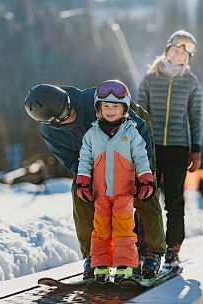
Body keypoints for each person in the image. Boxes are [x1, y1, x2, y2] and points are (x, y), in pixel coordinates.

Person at [24, 81, 166, 279]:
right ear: (51, 123)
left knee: (145, 189)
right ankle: (94, 255)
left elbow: (139, 134)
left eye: (69, 108)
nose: (71, 115)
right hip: (94, 161)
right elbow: (72, 160)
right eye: (64, 117)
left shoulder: (95, 101)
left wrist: (143, 173)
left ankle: (154, 251)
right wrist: (89, 178)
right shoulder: (50, 133)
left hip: (134, 135)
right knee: (81, 193)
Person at [76, 80, 154, 282]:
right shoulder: (92, 134)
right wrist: (83, 181)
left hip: (124, 192)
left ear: (124, 109)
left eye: (115, 106)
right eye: (106, 106)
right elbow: (84, 159)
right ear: (99, 109)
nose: (110, 110)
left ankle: (125, 266)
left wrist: (145, 179)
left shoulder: (131, 133)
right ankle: (100, 265)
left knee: (124, 229)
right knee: (100, 229)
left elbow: (141, 157)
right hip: (100, 193)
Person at [138, 30, 202, 264]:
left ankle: (173, 247)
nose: (178, 56)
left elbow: (195, 116)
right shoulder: (150, 78)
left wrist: (196, 149)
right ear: (167, 51)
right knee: (146, 196)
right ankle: (144, 246)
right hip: (150, 146)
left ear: (187, 59)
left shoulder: (191, 82)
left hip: (178, 147)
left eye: (183, 54)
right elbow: (139, 113)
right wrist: (137, 144)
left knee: (174, 200)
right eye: (175, 51)